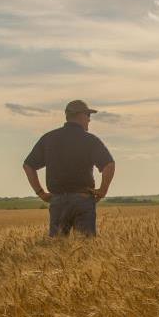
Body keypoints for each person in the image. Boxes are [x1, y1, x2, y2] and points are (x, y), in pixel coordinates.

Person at [22, 100, 115, 237]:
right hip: (83, 200)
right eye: (88, 115)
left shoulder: (49, 138)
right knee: (86, 248)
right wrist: (102, 190)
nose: (89, 119)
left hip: (58, 201)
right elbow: (109, 164)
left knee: (57, 248)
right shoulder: (89, 140)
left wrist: (41, 193)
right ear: (80, 115)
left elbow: (28, 166)